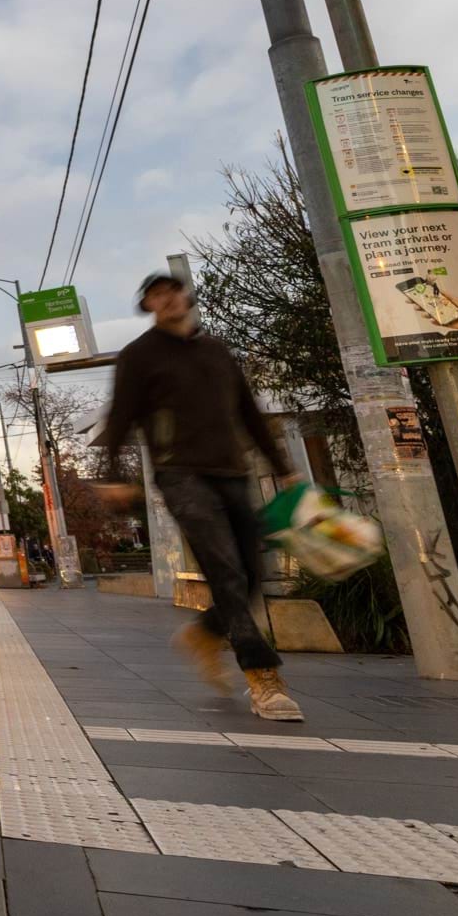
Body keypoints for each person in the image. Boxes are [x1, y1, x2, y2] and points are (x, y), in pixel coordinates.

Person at [99, 270, 305, 722]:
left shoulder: (216, 350)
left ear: (184, 297)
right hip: (180, 474)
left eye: (172, 291)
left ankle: (206, 632)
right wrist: (113, 473)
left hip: (231, 470)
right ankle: (262, 676)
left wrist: (284, 467)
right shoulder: (138, 356)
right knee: (224, 569)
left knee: (252, 573)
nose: (167, 299)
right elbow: (121, 416)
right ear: (148, 306)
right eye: (156, 295)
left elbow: (248, 410)